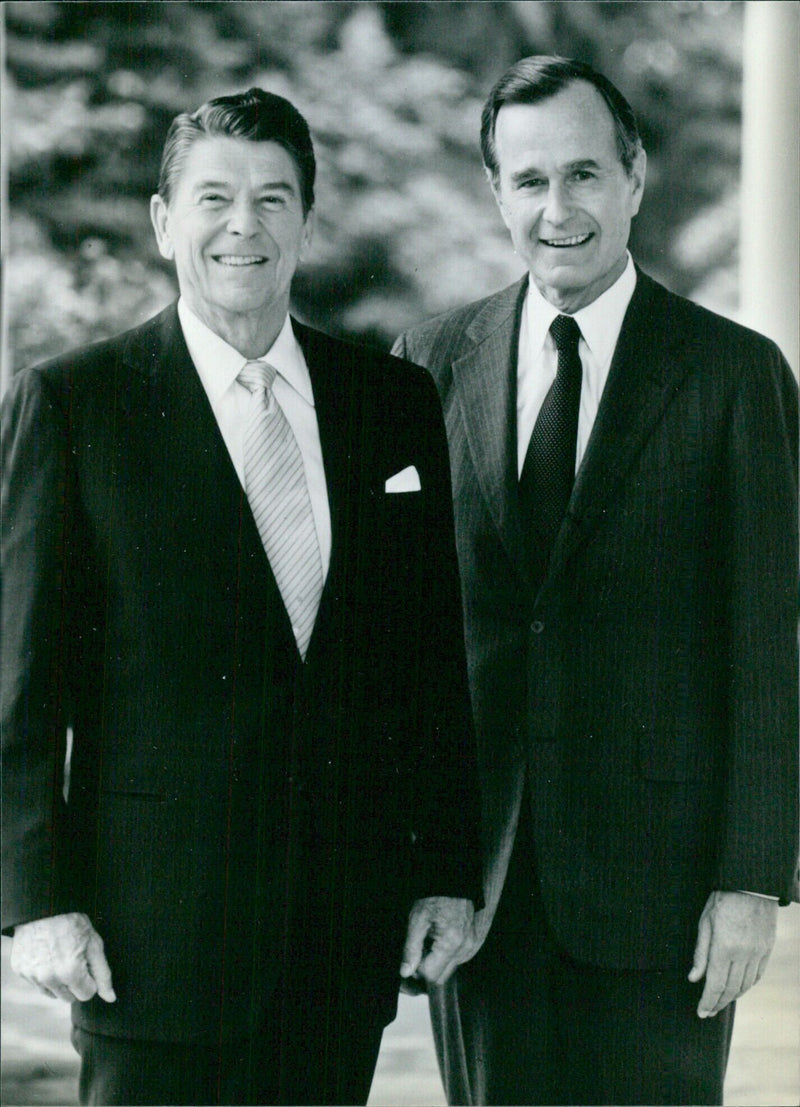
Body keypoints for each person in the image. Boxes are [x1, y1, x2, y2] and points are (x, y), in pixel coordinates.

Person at [1, 87, 482, 1107]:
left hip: (336, 949)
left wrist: (444, 868)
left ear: (305, 219)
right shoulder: (75, 403)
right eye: (213, 197)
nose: (243, 225)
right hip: (150, 944)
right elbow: (22, 685)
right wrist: (36, 900)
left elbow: (429, 663)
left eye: (273, 198)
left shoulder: (389, 404)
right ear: (162, 219)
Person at [393, 56, 798, 1107]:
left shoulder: (731, 374)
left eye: (582, 174)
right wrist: (411, 862)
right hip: (475, 892)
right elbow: (402, 646)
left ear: (633, 177)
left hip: (660, 899)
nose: (556, 207)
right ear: (495, 194)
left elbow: (767, 644)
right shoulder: (426, 363)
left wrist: (749, 880)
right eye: (528, 181)